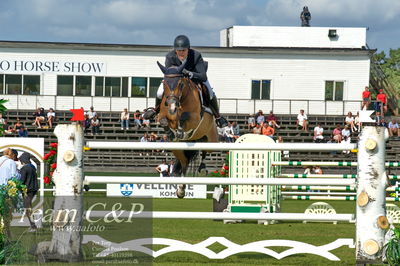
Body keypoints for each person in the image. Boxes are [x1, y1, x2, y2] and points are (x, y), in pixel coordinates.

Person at [143, 35, 228, 128]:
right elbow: (168, 73)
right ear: (175, 50)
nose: (181, 53)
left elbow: (203, 76)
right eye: (179, 50)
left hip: (195, 78)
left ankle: (218, 117)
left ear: (188, 49)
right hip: (175, 80)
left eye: (183, 50)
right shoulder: (170, 56)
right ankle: (156, 110)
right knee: (160, 92)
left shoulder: (196, 56)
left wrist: (191, 74)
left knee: (210, 92)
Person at [19, 152, 38, 232]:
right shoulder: (32, 166)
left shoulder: (24, 168)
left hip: (27, 190)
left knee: (27, 208)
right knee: (29, 207)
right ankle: (33, 226)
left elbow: (22, 180)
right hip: (34, 189)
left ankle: (33, 226)